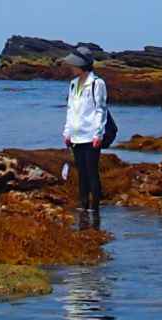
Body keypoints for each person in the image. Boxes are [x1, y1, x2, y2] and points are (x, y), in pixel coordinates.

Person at [63, 46, 108, 214]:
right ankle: (83, 205)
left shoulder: (97, 83)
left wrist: (98, 134)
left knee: (91, 172)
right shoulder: (73, 84)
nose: (71, 67)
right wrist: (67, 132)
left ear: (82, 65)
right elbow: (70, 109)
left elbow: (100, 110)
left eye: (73, 65)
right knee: (81, 172)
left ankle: (94, 208)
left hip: (91, 136)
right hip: (75, 135)